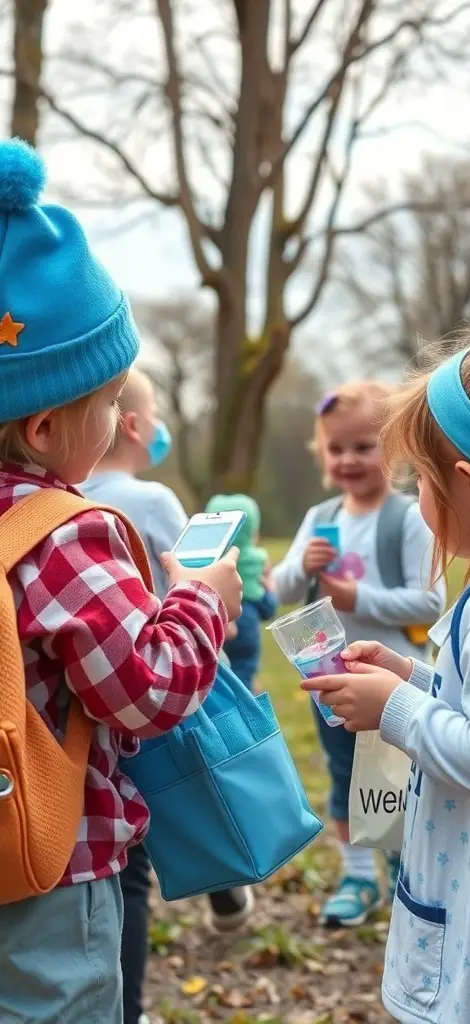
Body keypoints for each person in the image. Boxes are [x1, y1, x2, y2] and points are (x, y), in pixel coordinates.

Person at [0, 139, 242, 1023]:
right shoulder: (68, 534)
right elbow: (140, 692)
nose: (117, 422)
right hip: (44, 868)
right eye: (108, 404)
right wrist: (199, 603)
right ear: (45, 425)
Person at [305, 325, 470, 1023]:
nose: (417, 498)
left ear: (469, 486)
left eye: (420, 480)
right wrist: (416, 680)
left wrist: (396, 708)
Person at [83, 371, 254, 1024]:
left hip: (79, 721)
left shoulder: (51, 499)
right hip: (150, 695)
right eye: (154, 416)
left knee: (114, 858)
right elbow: (197, 586)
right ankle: (129, 1003)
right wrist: (219, 605)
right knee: (143, 849)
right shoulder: (149, 500)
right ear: (133, 426)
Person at [273, 381, 445, 927]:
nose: (348, 459)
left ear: (392, 450)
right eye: (336, 448)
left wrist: (358, 598)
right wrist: (301, 566)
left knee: (398, 778)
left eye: (363, 446)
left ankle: (404, 870)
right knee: (345, 775)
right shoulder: (321, 519)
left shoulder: (408, 518)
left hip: (392, 679)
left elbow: (431, 599)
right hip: (330, 682)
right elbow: (277, 591)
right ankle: (357, 877)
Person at [205, 493, 278, 690]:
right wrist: (270, 587)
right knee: (244, 675)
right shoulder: (258, 561)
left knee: (214, 677)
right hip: (247, 626)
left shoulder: (206, 562)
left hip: (214, 622)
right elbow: (268, 608)